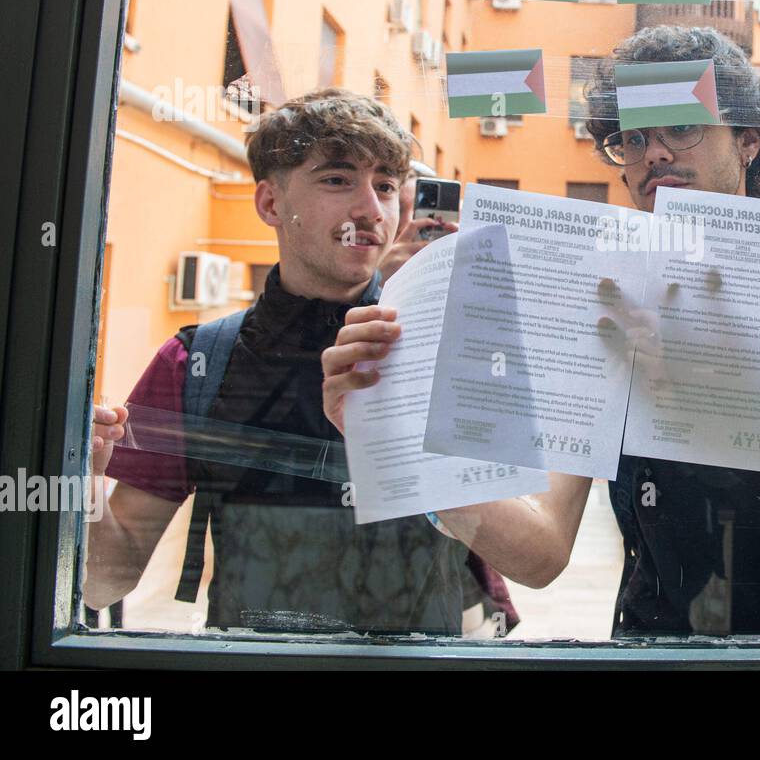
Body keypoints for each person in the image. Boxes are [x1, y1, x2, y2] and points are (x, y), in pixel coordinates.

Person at [323, 26, 760, 637]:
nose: (653, 155)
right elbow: (540, 553)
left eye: (681, 128)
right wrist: (389, 434)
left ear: (749, 140)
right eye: (632, 138)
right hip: (656, 658)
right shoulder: (606, 294)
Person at [85, 89, 532, 632]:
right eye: (338, 179)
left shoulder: (447, 350)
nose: (371, 209)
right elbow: (104, 581)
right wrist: (84, 484)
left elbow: (529, 549)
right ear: (271, 204)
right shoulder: (193, 365)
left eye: (387, 186)